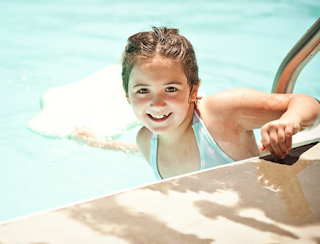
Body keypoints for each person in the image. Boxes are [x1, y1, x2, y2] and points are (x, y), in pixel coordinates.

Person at [72, 27, 320, 180]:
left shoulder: (221, 113)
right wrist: (97, 143)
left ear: (194, 90)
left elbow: (306, 102)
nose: (157, 103)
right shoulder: (146, 141)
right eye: (143, 90)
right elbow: (140, 150)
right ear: (127, 96)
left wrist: (289, 121)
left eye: (171, 89)